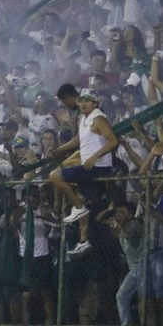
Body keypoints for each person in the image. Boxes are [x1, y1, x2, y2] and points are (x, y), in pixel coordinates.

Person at [49, 88, 119, 256]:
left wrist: (95, 156)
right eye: (82, 100)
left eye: (87, 100)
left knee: (55, 176)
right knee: (79, 196)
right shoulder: (84, 119)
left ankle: (79, 209)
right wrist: (60, 149)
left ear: (95, 103)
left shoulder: (98, 117)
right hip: (87, 165)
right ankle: (83, 240)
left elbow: (113, 141)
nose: (83, 103)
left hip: (96, 166)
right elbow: (78, 140)